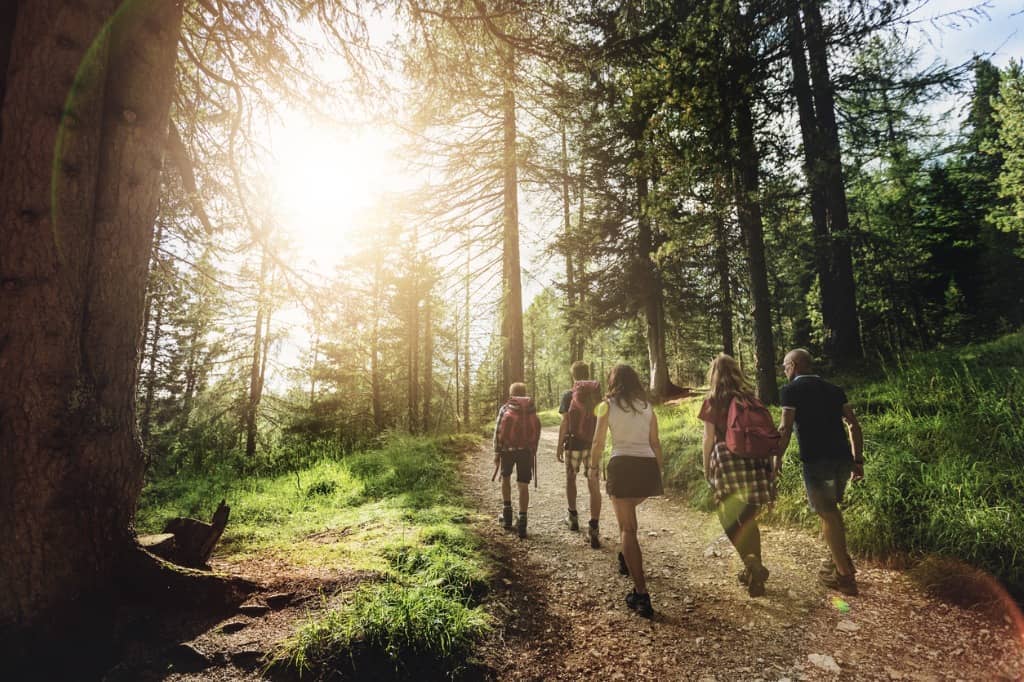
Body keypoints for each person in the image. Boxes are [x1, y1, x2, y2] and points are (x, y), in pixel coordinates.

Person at [778, 348, 864, 596]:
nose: (785, 372)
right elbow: (853, 425)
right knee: (832, 513)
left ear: (794, 365)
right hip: (842, 460)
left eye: (785, 366)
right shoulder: (834, 390)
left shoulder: (791, 390)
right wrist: (858, 461)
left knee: (828, 514)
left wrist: (777, 459)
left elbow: (784, 428)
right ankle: (836, 561)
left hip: (817, 462)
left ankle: (844, 576)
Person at [698, 354, 779, 597]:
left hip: (727, 458)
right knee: (749, 517)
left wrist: (706, 468)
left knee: (728, 518)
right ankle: (754, 575)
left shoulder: (712, 400)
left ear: (714, 374)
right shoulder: (750, 397)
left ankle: (751, 563)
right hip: (755, 459)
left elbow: (708, 439)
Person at [589, 364, 663, 618]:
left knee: (627, 529)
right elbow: (655, 442)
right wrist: (658, 472)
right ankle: (626, 556)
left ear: (613, 381)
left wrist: (592, 466)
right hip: (646, 467)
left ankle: (641, 595)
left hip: (622, 466)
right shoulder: (647, 406)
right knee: (629, 521)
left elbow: (598, 441)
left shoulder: (607, 404)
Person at [555, 360, 603, 547]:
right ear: (588, 373)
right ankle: (594, 526)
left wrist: (560, 446)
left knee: (570, 478)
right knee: (594, 483)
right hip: (592, 445)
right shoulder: (597, 396)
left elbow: (565, 422)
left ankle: (573, 517)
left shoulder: (568, 395)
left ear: (573, 375)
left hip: (573, 443)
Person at [493, 382, 542, 539]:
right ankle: (522, 522)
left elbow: (498, 430)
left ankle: (507, 516)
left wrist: (496, 452)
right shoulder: (531, 409)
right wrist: (533, 449)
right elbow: (536, 429)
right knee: (523, 486)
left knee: (505, 479)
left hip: (507, 450)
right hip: (526, 452)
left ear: (511, 394)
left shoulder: (505, 408)